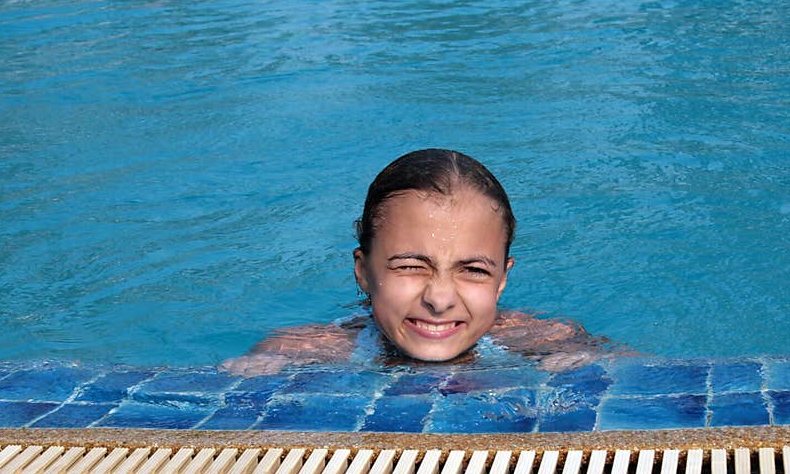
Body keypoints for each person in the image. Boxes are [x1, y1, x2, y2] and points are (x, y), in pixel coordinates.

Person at [221, 148, 620, 377]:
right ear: (363, 272)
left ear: (502, 280)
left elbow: (638, 371)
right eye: (411, 266)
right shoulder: (306, 348)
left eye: (474, 270)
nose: (440, 298)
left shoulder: (543, 338)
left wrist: (595, 365)